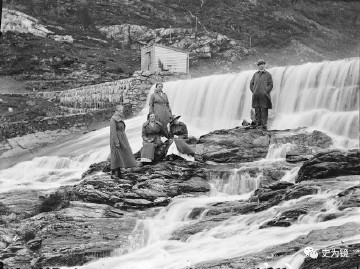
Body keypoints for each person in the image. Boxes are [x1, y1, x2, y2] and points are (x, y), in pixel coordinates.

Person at [109, 106, 137, 179]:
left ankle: (119, 171)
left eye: (122, 110)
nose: (121, 111)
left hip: (122, 137)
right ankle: (114, 172)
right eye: (120, 110)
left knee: (122, 154)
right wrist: (116, 142)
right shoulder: (113, 119)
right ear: (116, 111)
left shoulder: (119, 118)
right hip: (116, 138)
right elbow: (113, 132)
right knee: (116, 155)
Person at [250, 59, 273, 130]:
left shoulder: (268, 74)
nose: (261, 66)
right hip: (256, 95)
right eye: (260, 65)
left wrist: (266, 91)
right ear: (258, 66)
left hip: (264, 95)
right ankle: (258, 123)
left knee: (264, 109)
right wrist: (254, 91)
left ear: (264, 65)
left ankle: (264, 124)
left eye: (262, 64)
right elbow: (251, 83)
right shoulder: (255, 74)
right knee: (257, 109)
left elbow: (270, 84)